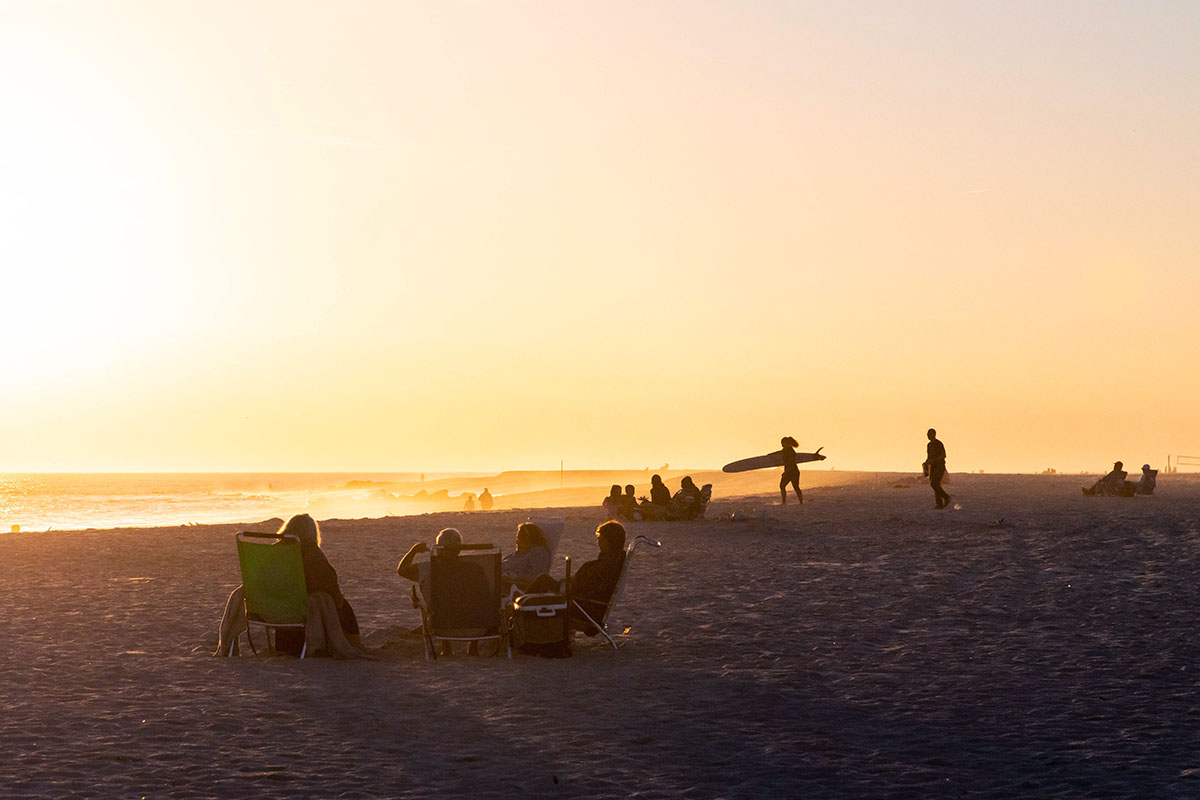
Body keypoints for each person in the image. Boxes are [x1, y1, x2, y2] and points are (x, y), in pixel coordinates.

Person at [274, 513, 362, 655]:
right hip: (297, 607)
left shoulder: (273, 551)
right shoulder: (311, 551)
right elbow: (328, 581)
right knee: (340, 605)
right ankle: (353, 643)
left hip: (273, 607)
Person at [397, 528, 491, 655]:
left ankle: (446, 647)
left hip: (441, 628)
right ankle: (473, 647)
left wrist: (413, 550)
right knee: (468, 599)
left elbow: (402, 570)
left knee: (443, 603)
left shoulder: (428, 569)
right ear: (459, 548)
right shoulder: (476, 568)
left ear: (439, 548)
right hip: (477, 628)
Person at [526, 521, 627, 634]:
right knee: (544, 582)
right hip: (589, 605)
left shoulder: (603, 566)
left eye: (601, 540)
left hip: (582, 608)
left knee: (543, 580)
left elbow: (580, 587)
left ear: (609, 542)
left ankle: (518, 615)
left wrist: (562, 586)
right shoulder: (615, 562)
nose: (598, 543)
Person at [501, 522, 551, 591]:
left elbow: (535, 577)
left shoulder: (538, 553)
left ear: (529, 539)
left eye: (519, 538)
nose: (516, 542)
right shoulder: (516, 554)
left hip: (514, 586)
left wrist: (514, 576)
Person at [923, 428, 951, 509]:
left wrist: (934, 460)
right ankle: (939, 504)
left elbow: (943, 455)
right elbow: (929, 456)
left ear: (933, 434)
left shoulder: (938, 444)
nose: (927, 436)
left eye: (929, 434)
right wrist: (926, 462)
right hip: (933, 466)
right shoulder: (929, 445)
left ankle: (946, 497)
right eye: (927, 434)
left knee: (934, 483)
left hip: (939, 466)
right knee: (935, 484)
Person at [779, 436, 803, 505]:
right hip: (789, 471)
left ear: (787, 443)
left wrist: (785, 472)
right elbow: (779, 452)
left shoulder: (791, 452)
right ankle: (784, 502)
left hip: (793, 471)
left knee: (795, 487)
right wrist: (770, 455)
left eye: (782, 443)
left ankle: (801, 502)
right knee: (782, 486)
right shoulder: (785, 450)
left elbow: (791, 463)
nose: (781, 445)